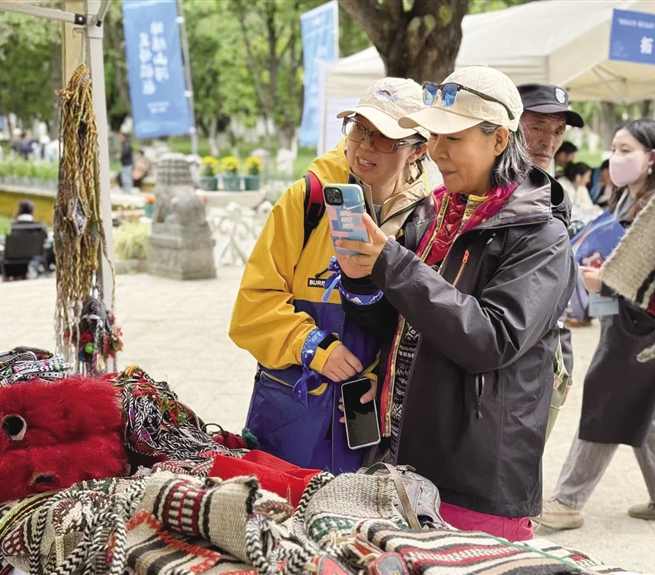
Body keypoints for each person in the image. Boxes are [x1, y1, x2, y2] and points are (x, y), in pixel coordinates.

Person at [336, 66, 576, 540]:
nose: (437, 151)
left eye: (454, 138)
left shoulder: (541, 234)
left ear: (499, 139)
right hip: (404, 452)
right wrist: (360, 279)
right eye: (433, 135)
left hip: (475, 474)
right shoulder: (434, 211)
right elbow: (396, 322)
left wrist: (393, 265)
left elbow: (491, 339)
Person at [229, 78, 432, 474]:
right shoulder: (308, 198)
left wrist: (383, 379)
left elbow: (422, 326)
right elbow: (251, 308)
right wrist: (313, 346)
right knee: (274, 504)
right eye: (359, 129)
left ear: (418, 149)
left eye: (384, 137)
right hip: (289, 412)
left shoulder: (428, 218)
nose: (365, 147)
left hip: (363, 421)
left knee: (351, 510)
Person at [539, 119, 655, 530]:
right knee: (646, 406)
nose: (616, 157)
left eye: (626, 150)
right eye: (614, 148)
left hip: (643, 326)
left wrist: (606, 280)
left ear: (652, 157)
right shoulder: (629, 199)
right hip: (625, 320)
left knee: (606, 400)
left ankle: (568, 501)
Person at [518, 83, 585, 415]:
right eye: (538, 127)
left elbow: (559, 284)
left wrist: (563, 354)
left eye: (558, 130)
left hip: (539, 356)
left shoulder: (554, 195)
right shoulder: (490, 190)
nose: (549, 141)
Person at [0, 200, 47, 281]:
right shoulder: (38, 227)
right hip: (28, 261)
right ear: (32, 211)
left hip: (11, 261)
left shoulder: (14, 226)